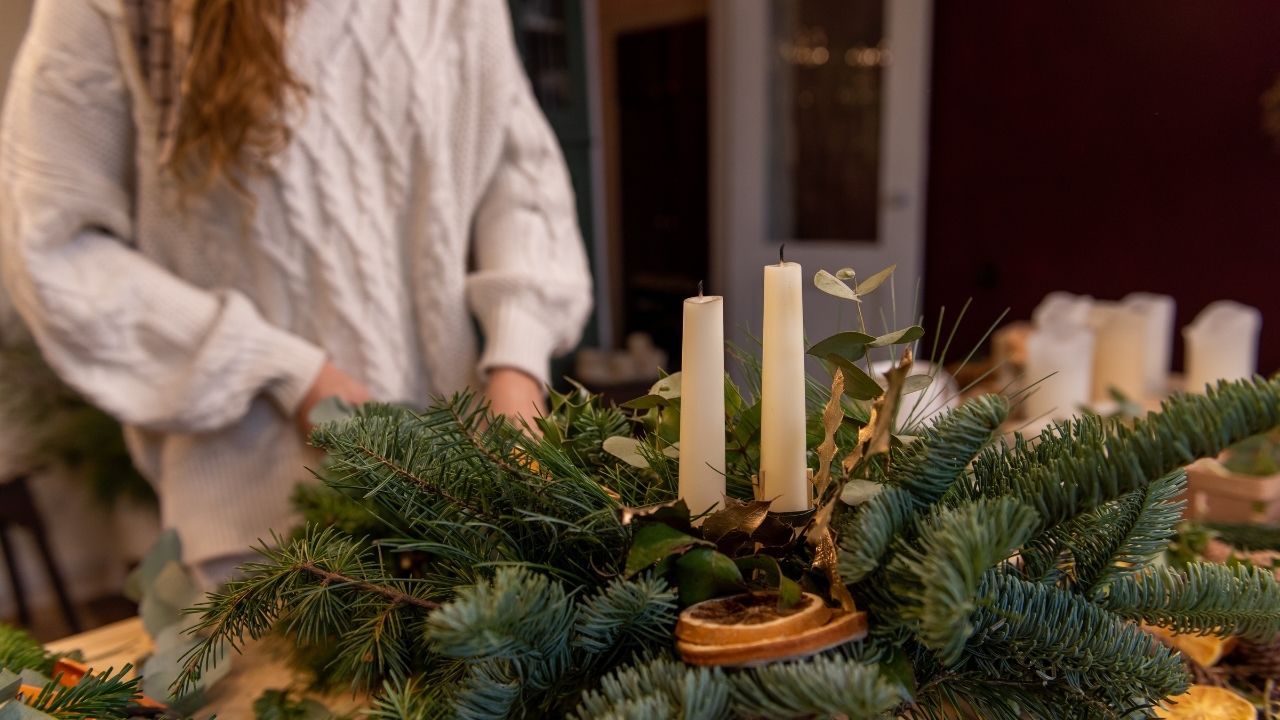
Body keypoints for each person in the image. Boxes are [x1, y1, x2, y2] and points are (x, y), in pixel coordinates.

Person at [0, 0, 593, 584]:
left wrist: (517, 366)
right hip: (264, 540)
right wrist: (289, 375)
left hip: (470, 503)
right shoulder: (110, 10)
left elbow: (519, 177)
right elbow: (53, 248)